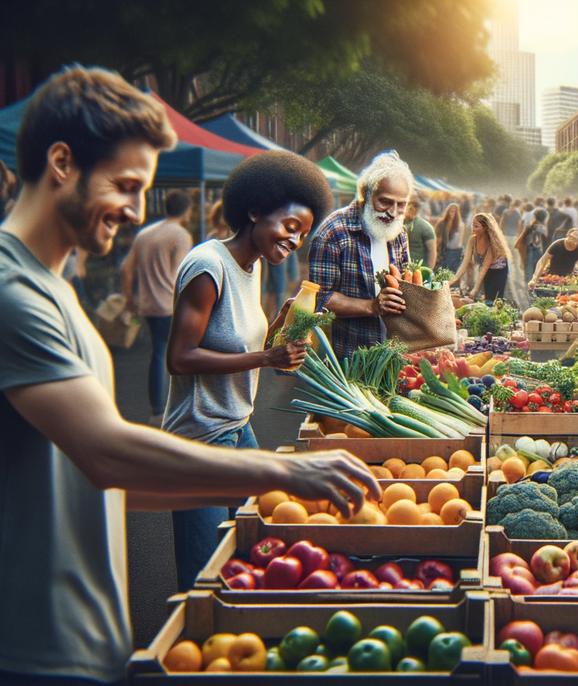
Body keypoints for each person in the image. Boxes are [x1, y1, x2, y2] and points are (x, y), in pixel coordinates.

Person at [0, 65, 378, 686]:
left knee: (235, 571)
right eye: (125, 185)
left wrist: (259, 488)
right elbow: (107, 454)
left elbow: (106, 480)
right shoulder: (15, 294)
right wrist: (288, 468)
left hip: (85, 644)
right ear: (62, 163)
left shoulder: (56, 291)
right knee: (209, 589)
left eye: (144, 189)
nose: (136, 211)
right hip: (34, 654)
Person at [163, 150, 331, 591]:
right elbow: (179, 358)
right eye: (290, 227)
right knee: (203, 577)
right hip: (200, 440)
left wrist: (280, 331)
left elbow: (241, 339)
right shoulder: (208, 265)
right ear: (254, 210)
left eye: (303, 235)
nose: (295, 241)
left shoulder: (251, 265)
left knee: (252, 549)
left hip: (238, 428)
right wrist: (265, 359)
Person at [308, 150, 413, 359]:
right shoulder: (333, 232)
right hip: (351, 356)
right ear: (365, 193)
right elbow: (319, 297)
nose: (393, 212)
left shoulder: (399, 233)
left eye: (401, 205)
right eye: (385, 201)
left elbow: (407, 286)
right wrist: (372, 306)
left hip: (395, 353)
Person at [121, 189, 193, 423]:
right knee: (179, 354)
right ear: (187, 210)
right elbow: (183, 273)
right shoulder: (180, 235)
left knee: (158, 353)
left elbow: (125, 268)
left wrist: (130, 300)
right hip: (171, 304)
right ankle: (177, 409)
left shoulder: (146, 233)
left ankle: (157, 410)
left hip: (148, 304)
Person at [451, 212, 512, 302]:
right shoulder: (472, 240)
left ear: (485, 228)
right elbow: (465, 262)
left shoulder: (492, 244)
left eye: (476, 226)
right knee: (487, 296)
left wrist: (475, 289)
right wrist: (454, 279)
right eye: (472, 225)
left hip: (499, 270)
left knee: (495, 299)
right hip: (486, 269)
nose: (473, 228)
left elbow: (484, 268)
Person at [403, 194, 437, 268]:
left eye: (415, 205)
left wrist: (429, 271)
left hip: (418, 270)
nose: (411, 207)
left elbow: (432, 252)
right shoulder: (396, 224)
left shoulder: (426, 227)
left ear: (418, 208)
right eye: (408, 204)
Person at [515, 207, 549, 281]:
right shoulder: (544, 229)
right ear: (545, 218)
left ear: (534, 216)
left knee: (528, 275)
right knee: (537, 273)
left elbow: (520, 241)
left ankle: (528, 291)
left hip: (529, 251)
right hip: (540, 252)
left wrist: (522, 259)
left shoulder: (530, 226)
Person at [435, 202, 465, 273]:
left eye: (454, 212)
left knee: (451, 273)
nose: (452, 213)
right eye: (451, 211)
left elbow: (460, 241)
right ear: (447, 211)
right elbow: (436, 236)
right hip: (442, 251)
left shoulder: (460, 225)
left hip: (454, 253)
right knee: (439, 272)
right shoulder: (441, 223)